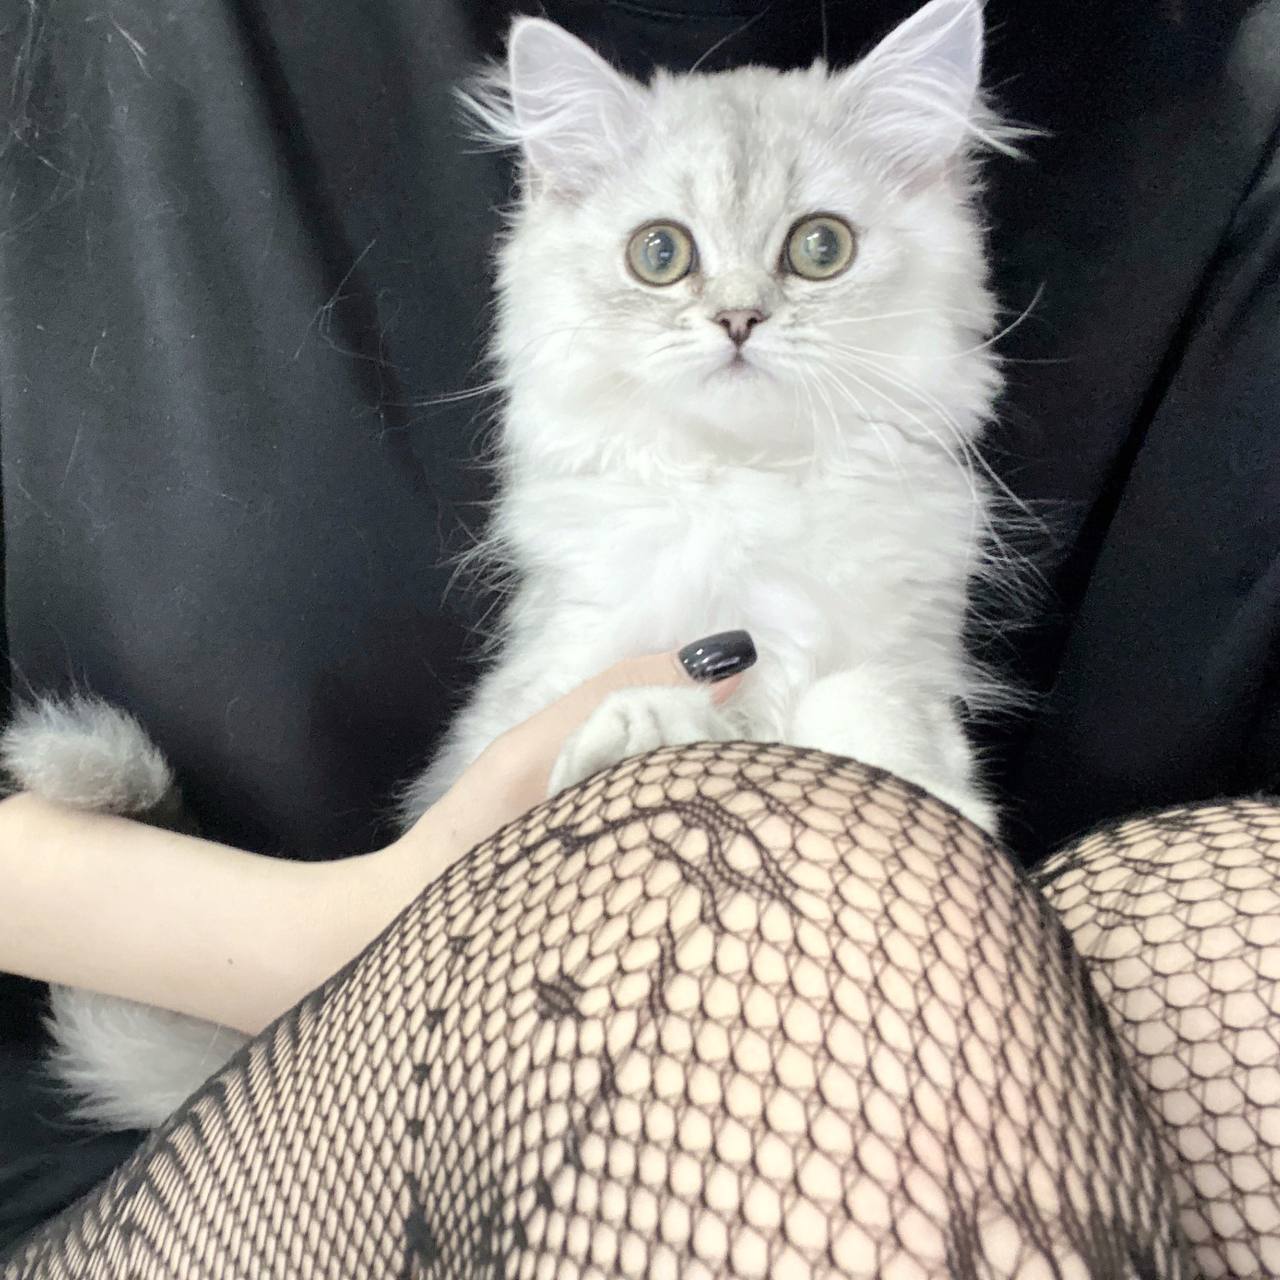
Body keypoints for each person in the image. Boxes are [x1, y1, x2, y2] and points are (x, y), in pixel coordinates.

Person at [0, 0, 1277, 1275]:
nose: (736, 304)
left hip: (804, 1018)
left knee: (1235, 931)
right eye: (664, 252)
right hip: (423, 1044)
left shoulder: (912, 504)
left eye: (816, 245)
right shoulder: (601, 527)